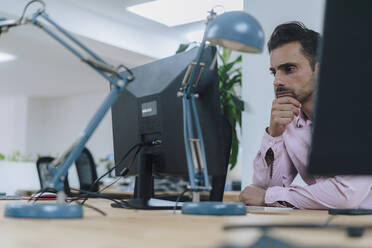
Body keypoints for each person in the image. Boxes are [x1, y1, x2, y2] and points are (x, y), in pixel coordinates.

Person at [239, 22, 372, 209]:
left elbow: (347, 195)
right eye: (274, 72)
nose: (277, 81)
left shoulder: (357, 114)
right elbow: (263, 190)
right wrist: (274, 134)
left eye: (289, 69)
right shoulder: (291, 120)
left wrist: (269, 196)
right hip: (328, 227)